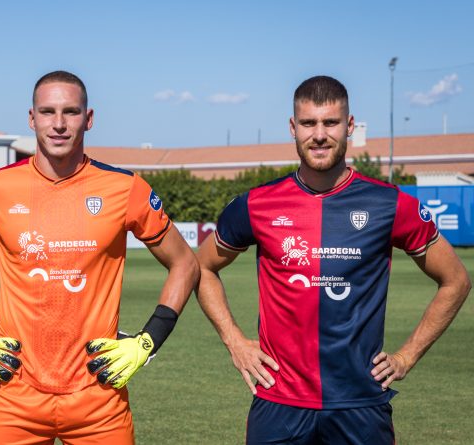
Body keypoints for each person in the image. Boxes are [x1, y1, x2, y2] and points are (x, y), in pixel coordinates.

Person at [196, 75, 471, 444]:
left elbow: (455, 280)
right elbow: (202, 266)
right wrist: (234, 340)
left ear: (350, 126)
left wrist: (406, 357)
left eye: (331, 122)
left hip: (361, 404)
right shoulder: (256, 204)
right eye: (309, 123)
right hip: (279, 403)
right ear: (293, 128)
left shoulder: (391, 204)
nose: (320, 134)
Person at [0, 70, 199, 444]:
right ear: (31, 118)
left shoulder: (125, 189)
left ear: (88, 119)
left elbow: (185, 263)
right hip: (15, 396)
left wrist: (146, 342)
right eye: (47, 112)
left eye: (71, 112)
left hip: (99, 397)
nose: (58, 124)